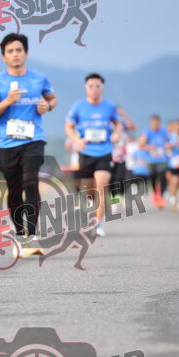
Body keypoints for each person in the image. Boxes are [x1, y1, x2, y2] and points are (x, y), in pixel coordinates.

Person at [0, 33, 57, 252]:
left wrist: (47, 106)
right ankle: (20, 231)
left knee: (31, 183)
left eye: (19, 50)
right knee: (14, 189)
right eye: (10, 51)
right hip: (7, 143)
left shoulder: (40, 78)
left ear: (26, 54)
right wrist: (7, 101)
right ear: (3, 57)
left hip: (34, 139)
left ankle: (31, 234)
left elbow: (52, 99)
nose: (15, 54)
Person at [64, 73, 121, 238]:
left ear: (102, 88)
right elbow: (68, 126)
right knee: (89, 189)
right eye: (91, 86)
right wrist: (77, 140)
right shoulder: (78, 106)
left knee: (101, 187)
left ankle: (97, 223)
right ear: (86, 88)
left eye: (98, 86)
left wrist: (116, 134)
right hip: (86, 153)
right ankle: (90, 201)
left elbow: (118, 123)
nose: (94, 89)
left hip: (104, 151)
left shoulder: (109, 106)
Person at [139, 114, 169, 209]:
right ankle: (155, 193)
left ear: (159, 122)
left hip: (162, 159)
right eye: (153, 122)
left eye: (157, 122)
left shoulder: (164, 131)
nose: (155, 124)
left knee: (162, 175)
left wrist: (167, 145)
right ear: (150, 122)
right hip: (151, 160)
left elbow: (170, 141)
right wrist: (149, 147)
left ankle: (162, 195)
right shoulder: (147, 132)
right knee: (152, 177)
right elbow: (141, 145)